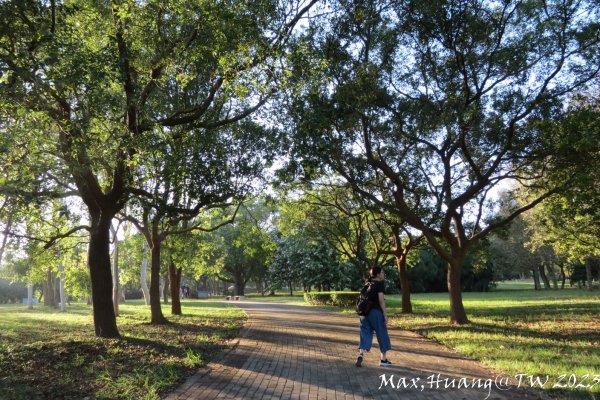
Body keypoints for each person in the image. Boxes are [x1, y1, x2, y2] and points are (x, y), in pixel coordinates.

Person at [356, 266, 392, 367]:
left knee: (365, 334)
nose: (383, 274)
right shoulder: (379, 284)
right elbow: (381, 301)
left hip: (364, 313)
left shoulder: (367, 283)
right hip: (375, 313)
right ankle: (383, 360)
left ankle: (361, 354)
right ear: (378, 274)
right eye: (382, 272)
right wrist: (385, 315)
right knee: (382, 334)